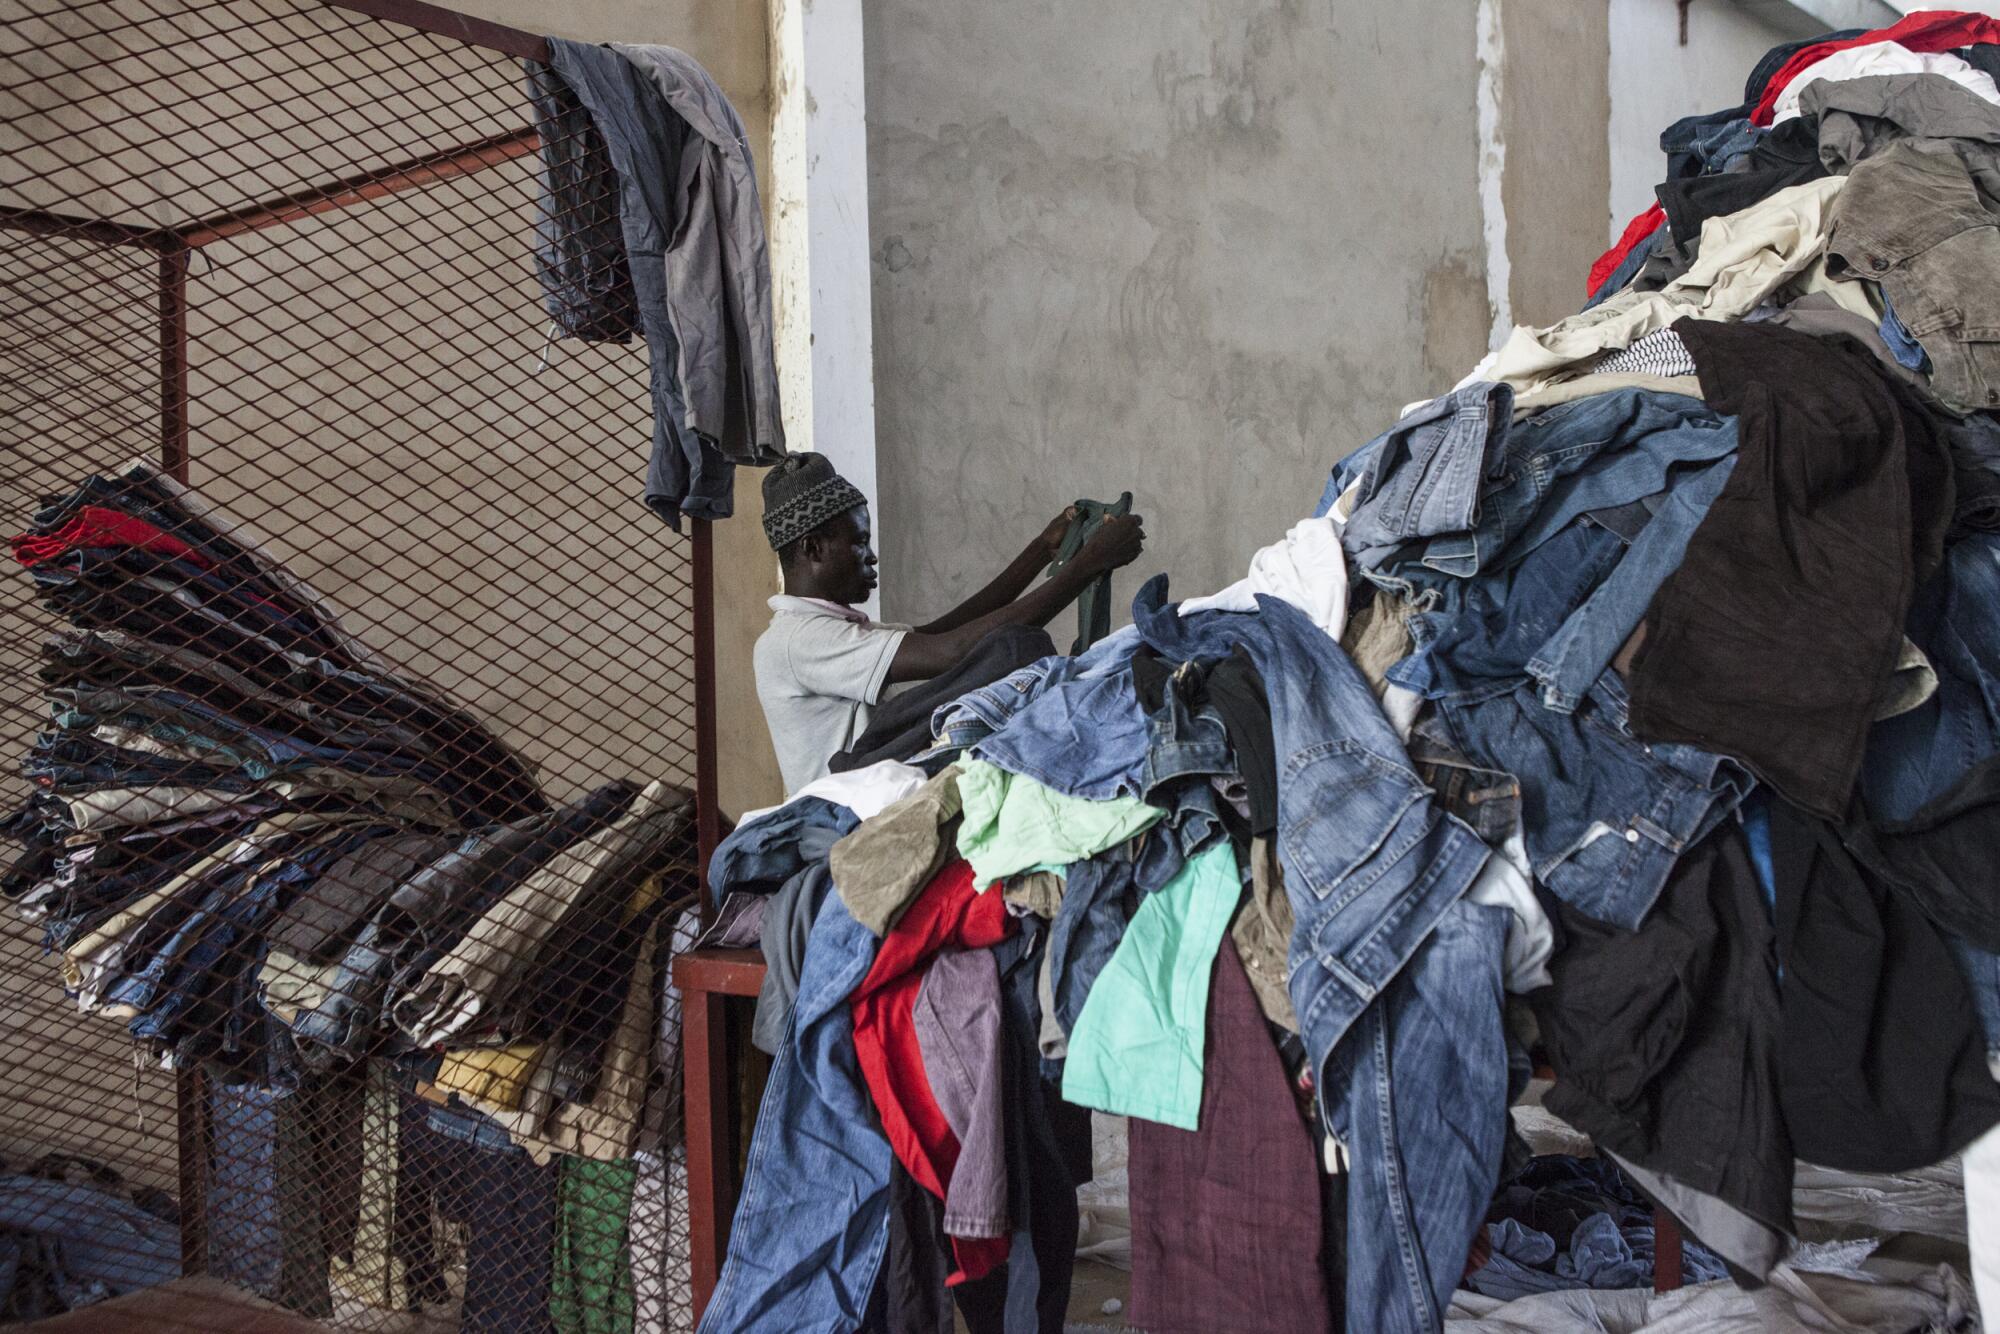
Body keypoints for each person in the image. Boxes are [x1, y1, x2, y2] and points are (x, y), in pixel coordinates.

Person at [753, 453, 1146, 794]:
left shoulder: (833, 628)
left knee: (1010, 652)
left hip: (871, 777)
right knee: (1014, 649)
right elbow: (951, 650)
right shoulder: (797, 639)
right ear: (814, 547)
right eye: (859, 542)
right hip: (849, 793)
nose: (870, 557)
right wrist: (1089, 564)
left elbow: (944, 633)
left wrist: (1042, 549)